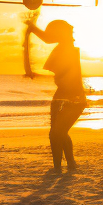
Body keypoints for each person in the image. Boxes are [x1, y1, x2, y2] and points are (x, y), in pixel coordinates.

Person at [26, 19, 86, 173]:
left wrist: (32, 28)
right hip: (61, 95)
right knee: (58, 132)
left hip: (75, 97)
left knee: (57, 133)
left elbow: (47, 39)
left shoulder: (69, 48)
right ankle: (65, 165)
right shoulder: (63, 48)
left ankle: (61, 166)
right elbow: (61, 77)